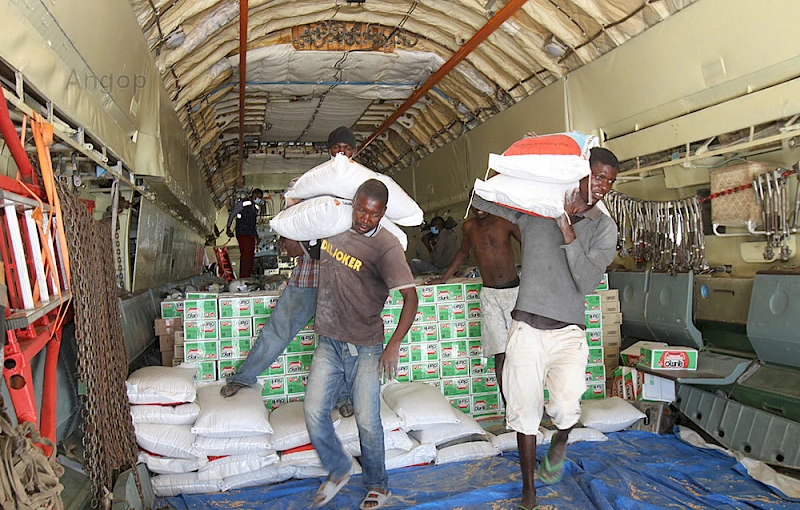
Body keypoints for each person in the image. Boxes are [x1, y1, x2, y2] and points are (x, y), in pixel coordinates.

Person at [471, 147, 619, 510]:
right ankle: (529, 490)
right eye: (599, 176)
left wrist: (567, 231)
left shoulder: (604, 227)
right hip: (526, 327)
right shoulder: (535, 211)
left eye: (610, 181)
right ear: (577, 171)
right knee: (524, 410)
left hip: (569, 333)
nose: (603, 186)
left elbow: (585, 282)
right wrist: (525, 160)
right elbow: (481, 197)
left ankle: (561, 439)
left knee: (566, 406)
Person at [219, 126, 357, 398]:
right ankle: (244, 378)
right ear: (328, 150)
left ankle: (344, 397)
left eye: (347, 147)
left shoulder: (358, 186)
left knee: (341, 341)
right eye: (336, 146)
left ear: (354, 151)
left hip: (342, 280)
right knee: (277, 330)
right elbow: (289, 232)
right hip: (307, 278)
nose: (341, 151)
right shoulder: (309, 183)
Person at [305, 179, 417, 510]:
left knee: (368, 422)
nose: (364, 219)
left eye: (373, 213)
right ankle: (339, 468)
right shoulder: (334, 226)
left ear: (383, 213)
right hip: (329, 341)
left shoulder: (387, 246)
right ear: (353, 203)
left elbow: (411, 298)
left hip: (366, 346)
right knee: (313, 410)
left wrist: (394, 344)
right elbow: (304, 237)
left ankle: (378, 485)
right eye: (360, 209)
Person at [427, 207, 520, 402]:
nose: (478, 208)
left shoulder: (505, 221)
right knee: (500, 353)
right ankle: (508, 407)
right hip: (490, 296)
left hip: (514, 293)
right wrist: (443, 279)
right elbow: (462, 252)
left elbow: (530, 246)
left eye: (482, 202)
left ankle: (527, 405)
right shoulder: (469, 227)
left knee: (520, 352)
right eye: (474, 203)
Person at [226, 188, 263, 278]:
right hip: (242, 233)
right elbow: (232, 214)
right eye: (258, 197)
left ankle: (248, 276)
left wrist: (256, 237)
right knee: (245, 255)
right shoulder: (243, 203)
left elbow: (253, 224)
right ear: (254, 195)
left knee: (250, 256)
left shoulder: (255, 208)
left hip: (250, 234)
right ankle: (243, 277)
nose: (259, 200)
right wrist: (228, 228)